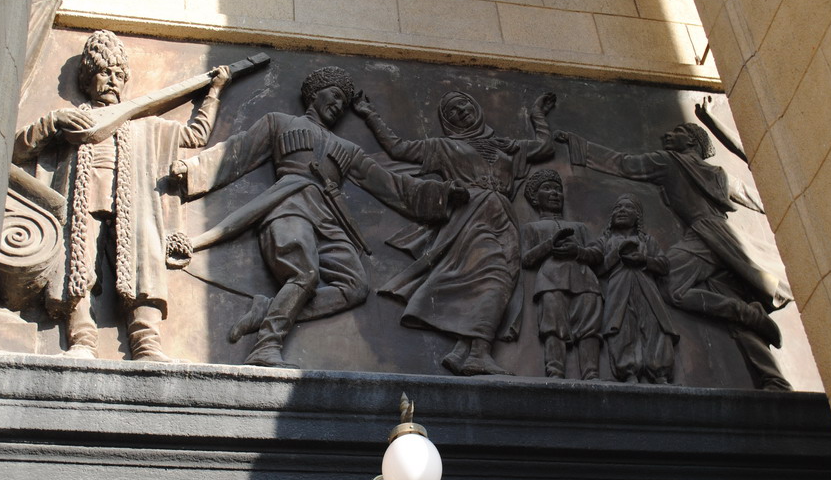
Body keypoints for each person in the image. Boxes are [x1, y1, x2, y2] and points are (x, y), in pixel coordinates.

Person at [168, 66, 466, 369]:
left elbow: (391, 185)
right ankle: (267, 345)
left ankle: (268, 309)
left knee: (355, 287)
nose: (338, 105)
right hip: (288, 206)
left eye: (344, 103)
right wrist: (192, 169)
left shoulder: (347, 149)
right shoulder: (280, 123)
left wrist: (441, 193)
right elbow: (235, 153)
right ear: (315, 94)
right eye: (334, 96)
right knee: (304, 274)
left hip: (328, 219)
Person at [12, 29, 231, 361]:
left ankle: (147, 344)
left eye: (118, 74)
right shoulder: (72, 122)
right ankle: (82, 341)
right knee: (77, 266)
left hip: (132, 205)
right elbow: (18, 149)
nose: (112, 81)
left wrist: (215, 91)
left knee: (143, 267)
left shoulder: (143, 125)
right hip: (82, 200)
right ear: (88, 79)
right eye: (104, 73)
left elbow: (196, 136)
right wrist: (53, 121)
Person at [554, 115, 793, 390]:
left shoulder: (670, 162)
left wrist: (581, 146)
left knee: (670, 285)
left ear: (691, 141)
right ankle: (774, 379)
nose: (667, 136)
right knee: (730, 305)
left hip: (705, 237)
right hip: (727, 238)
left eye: (676, 132)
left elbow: (625, 164)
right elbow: (757, 198)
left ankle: (747, 313)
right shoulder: (719, 174)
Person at [355, 89, 555, 376]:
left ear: (475, 107)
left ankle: (463, 350)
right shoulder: (443, 146)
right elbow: (398, 149)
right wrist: (370, 115)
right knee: (494, 274)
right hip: (472, 213)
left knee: (507, 280)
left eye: (463, 106)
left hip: (505, 218)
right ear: (448, 122)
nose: (461, 112)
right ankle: (479, 353)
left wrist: (537, 115)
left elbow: (544, 148)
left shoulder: (504, 145)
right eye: (453, 112)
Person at [521, 169, 603, 380]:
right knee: (553, 327)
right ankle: (555, 371)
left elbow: (597, 253)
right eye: (547, 189)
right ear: (535, 199)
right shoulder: (532, 228)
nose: (554, 193)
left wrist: (578, 251)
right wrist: (550, 244)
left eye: (558, 190)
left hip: (586, 281)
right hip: (551, 282)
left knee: (590, 328)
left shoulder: (579, 227)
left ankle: (591, 373)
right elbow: (527, 259)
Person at [589, 194, 678, 384]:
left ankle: (660, 374)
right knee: (622, 328)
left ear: (637, 217)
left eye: (628, 207)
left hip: (647, 290)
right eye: (617, 208)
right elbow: (597, 268)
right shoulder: (605, 240)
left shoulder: (647, 241)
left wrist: (644, 260)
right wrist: (617, 254)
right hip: (618, 290)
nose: (621, 211)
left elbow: (664, 265)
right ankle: (629, 373)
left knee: (655, 327)